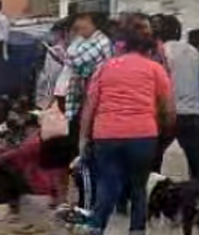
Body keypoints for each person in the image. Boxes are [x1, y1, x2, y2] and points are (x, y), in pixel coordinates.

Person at [79, 14, 175, 235]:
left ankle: (95, 229)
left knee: (107, 185)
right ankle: (136, 231)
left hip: (106, 135)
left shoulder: (105, 68)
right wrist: (163, 133)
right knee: (138, 188)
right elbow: (168, 109)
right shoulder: (155, 69)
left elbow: (90, 107)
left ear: (122, 44)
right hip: (143, 135)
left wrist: (83, 139)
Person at [64, 10, 113, 213]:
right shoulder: (82, 41)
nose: (78, 24)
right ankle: (87, 201)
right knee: (82, 157)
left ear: (94, 23)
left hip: (94, 107)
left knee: (87, 158)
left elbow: (74, 60)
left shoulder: (100, 42)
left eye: (82, 20)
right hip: (81, 104)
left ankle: (89, 205)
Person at [155, 15, 197, 176]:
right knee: (195, 163)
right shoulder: (193, 51)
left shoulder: (161, 53)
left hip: (169, 113)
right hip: (193, 113)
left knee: (154, 161)